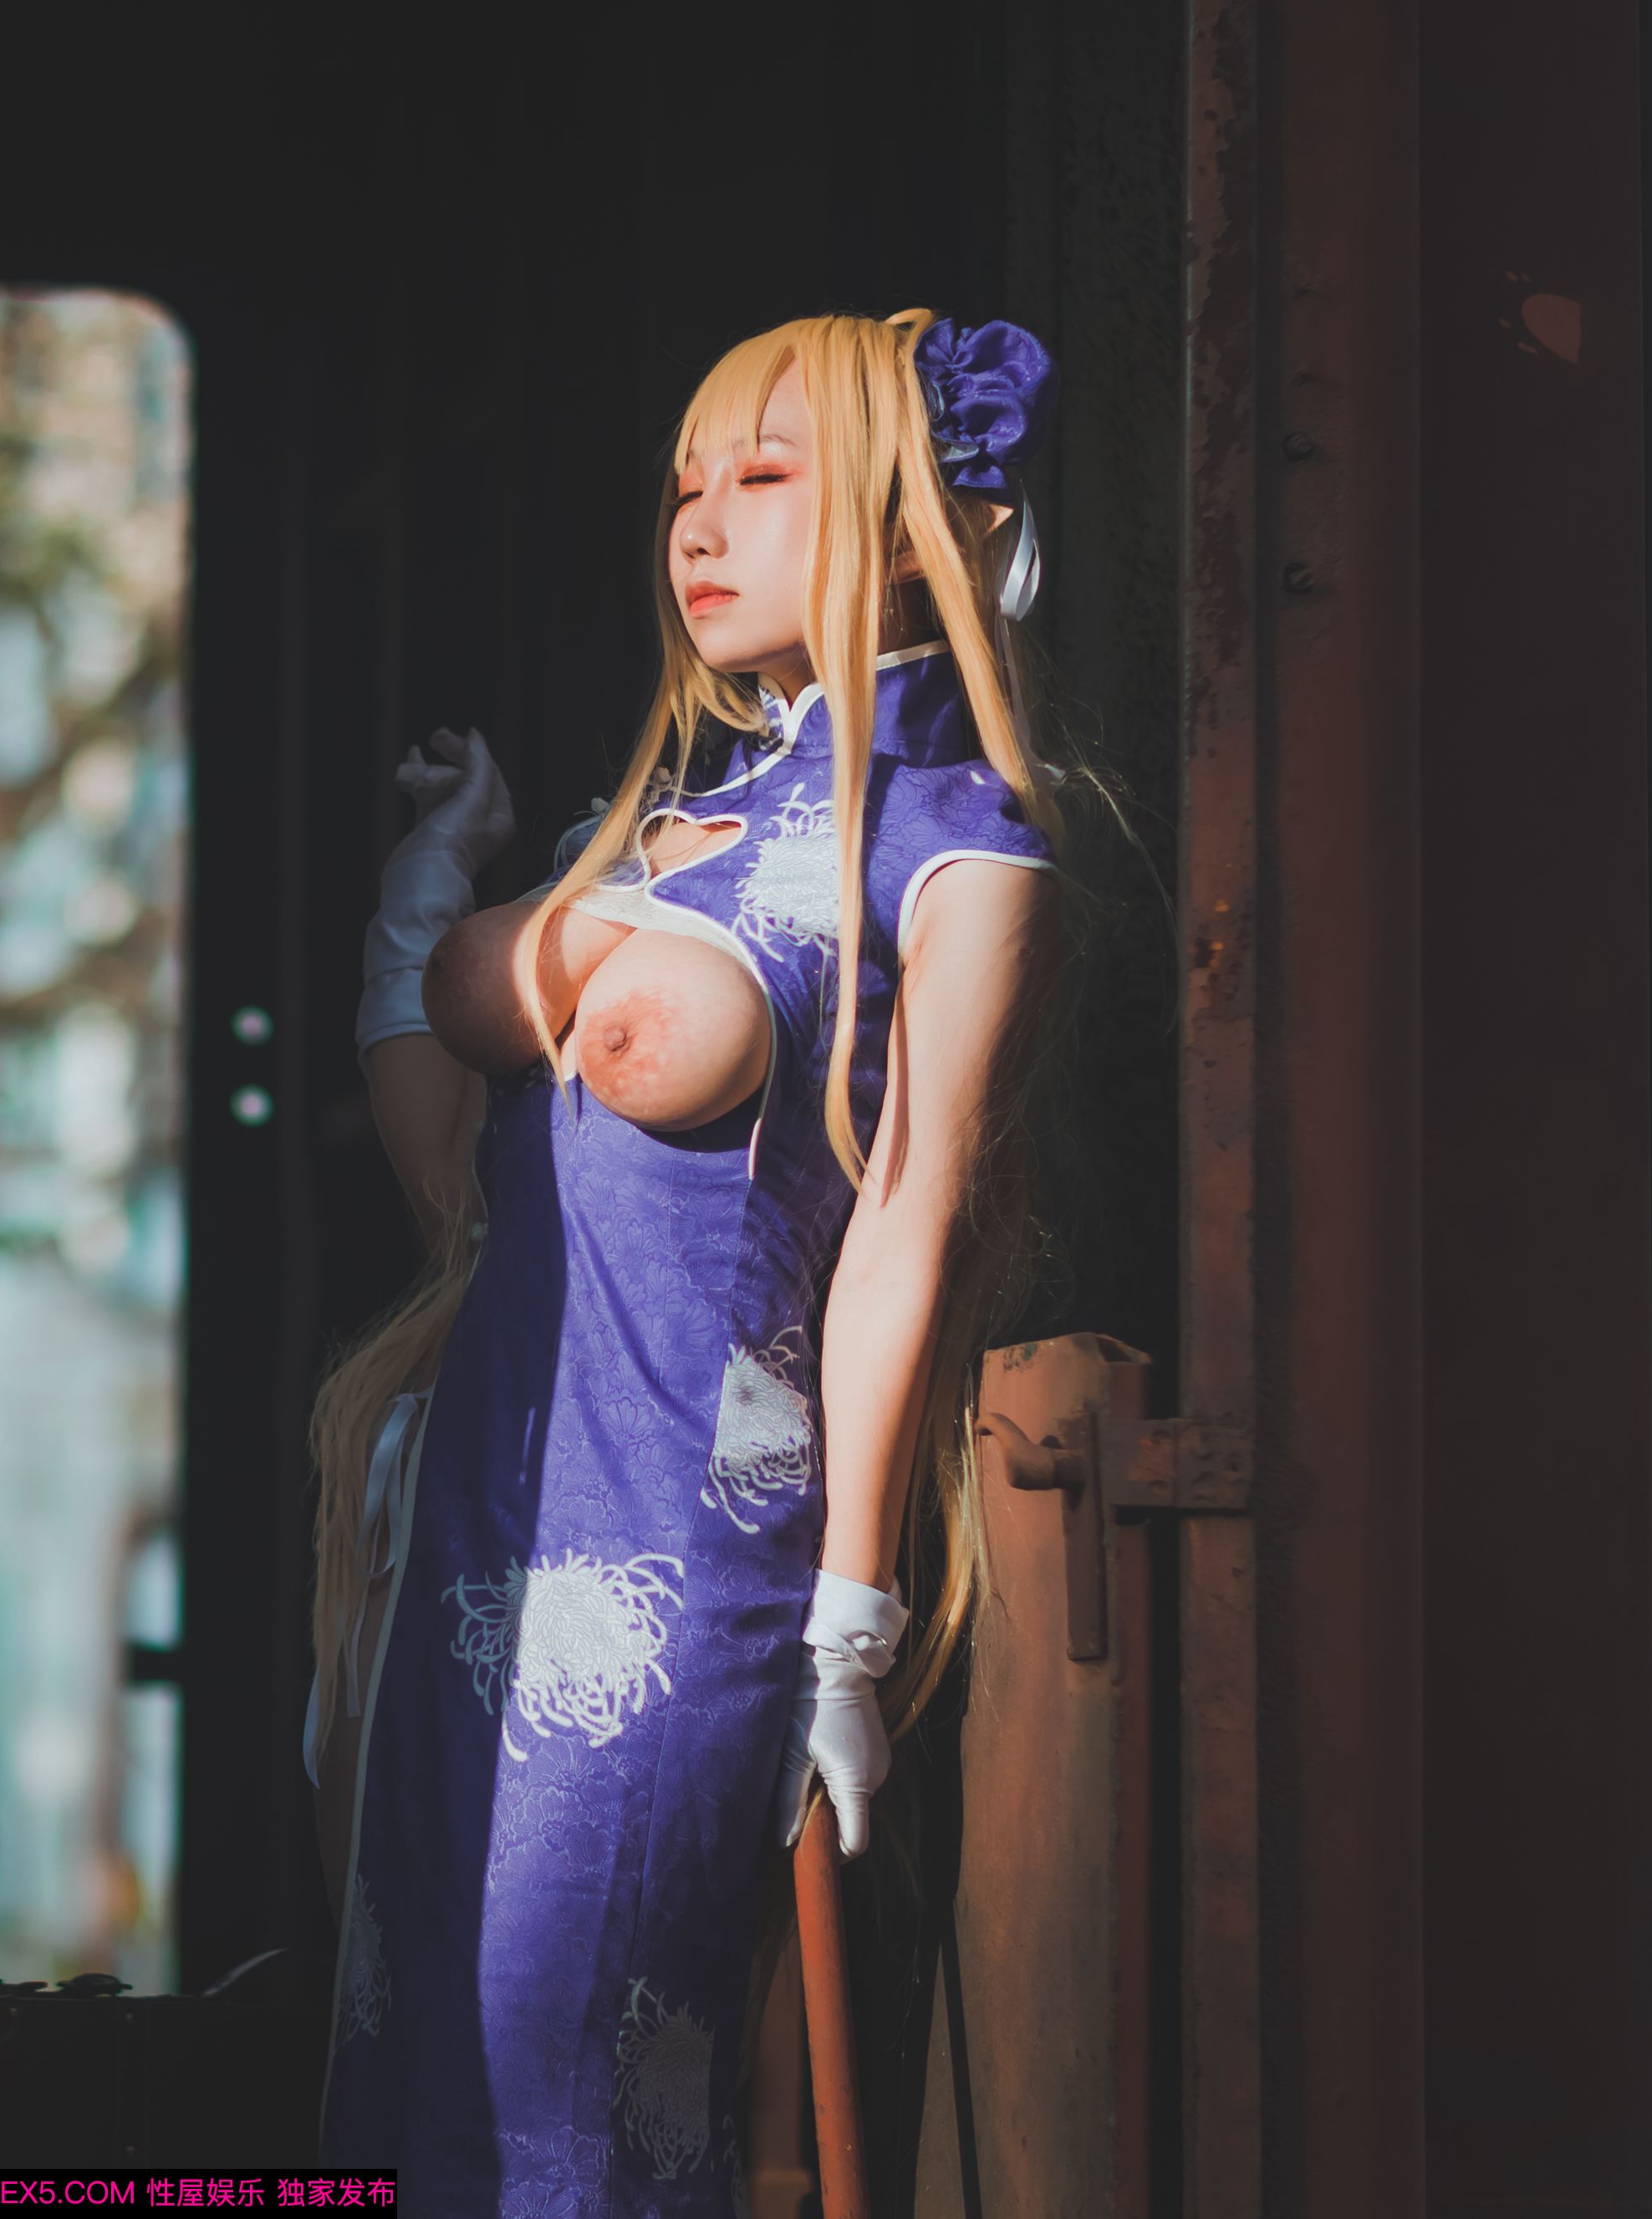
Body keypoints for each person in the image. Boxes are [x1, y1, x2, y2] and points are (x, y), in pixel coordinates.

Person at [306, 309, 1061, 2209]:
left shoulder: (957, 843)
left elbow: (909, 1216)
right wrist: (428, 885)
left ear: (905, 527)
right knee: (413, 2070)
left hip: (676, 1573)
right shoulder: (642, 828)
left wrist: (849, 1617)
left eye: (765, 475)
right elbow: (457, 1172)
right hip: (461, 1545)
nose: (699, 527)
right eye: (683, 489)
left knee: (573, 2092)